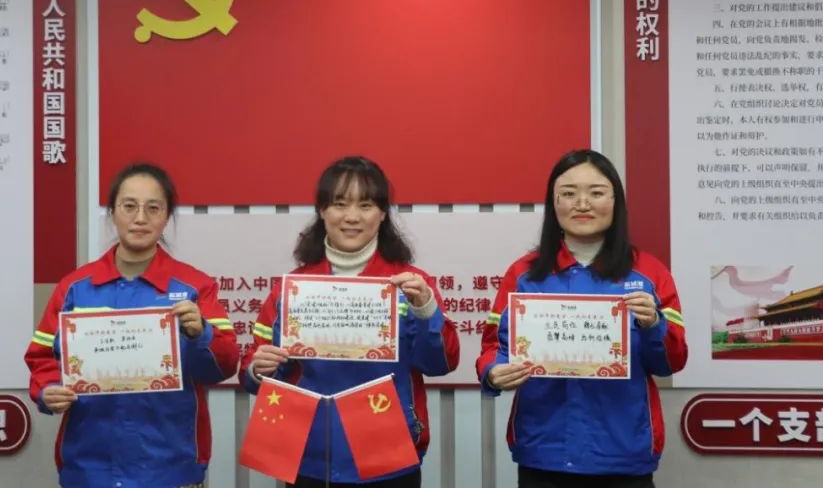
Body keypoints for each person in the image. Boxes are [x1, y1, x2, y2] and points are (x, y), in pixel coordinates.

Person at [240, 156, 460, 488]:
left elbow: (441, 364)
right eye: (340, 204)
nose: (352, 217)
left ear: (383, 213)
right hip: (309, 455)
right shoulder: (291, 289)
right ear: (322, 210)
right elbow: (255, 372)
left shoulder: (412, 285)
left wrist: (426, 309)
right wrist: (259, 369)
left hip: (389, 454)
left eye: (366, 205)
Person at [477, 149, 687, 488]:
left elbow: (670, 363)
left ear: (616, 201)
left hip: (623, 453)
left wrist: (653, 325)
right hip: (543, 450)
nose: (583, 203)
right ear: (554, 203)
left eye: (597, 192)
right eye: (569, 193)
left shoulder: (650, 274)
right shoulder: (524, 274)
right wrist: (493, 372)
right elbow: (495, 347)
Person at [25, 163, 239, 488]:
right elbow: (42, 358)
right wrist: (47, 390)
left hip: (170, 465)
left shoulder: (195, 287)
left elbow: (223, 367)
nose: (140, 218)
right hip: (89, 465)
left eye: (153, 208)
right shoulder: (75, 288)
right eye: (129, 206)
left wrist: (201, 333)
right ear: (112, 213)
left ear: (166, 216)